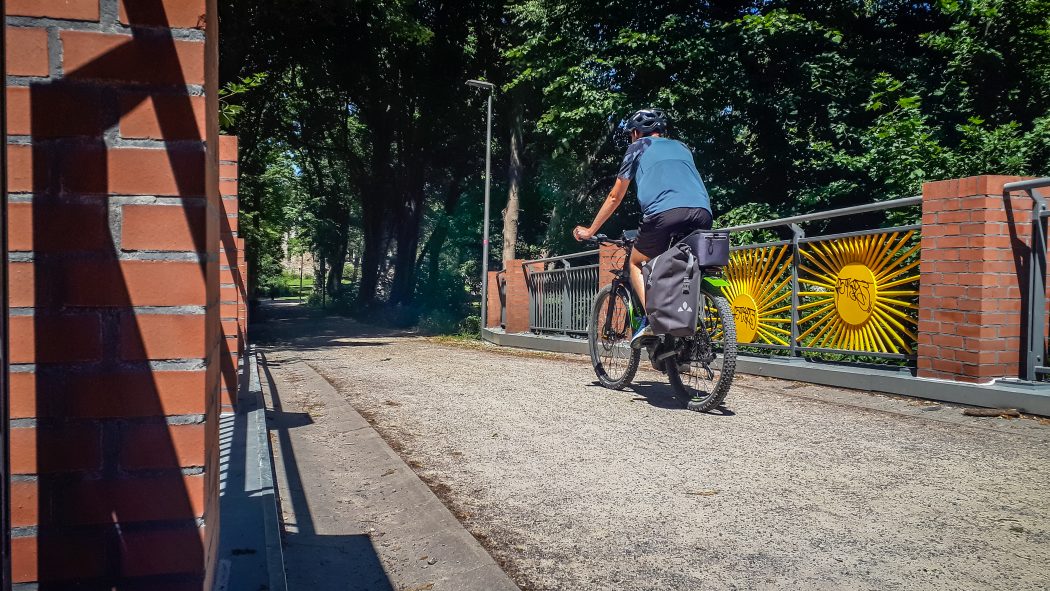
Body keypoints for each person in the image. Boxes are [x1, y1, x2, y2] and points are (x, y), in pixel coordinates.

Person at [573, 108, 713, 344]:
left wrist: (590, 231)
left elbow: (615, 196)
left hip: (664, 213)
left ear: (636, 133)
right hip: (702, 212)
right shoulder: (682, 146)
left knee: (636, 263)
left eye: (631, 134)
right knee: (679, 265)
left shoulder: (638, 147)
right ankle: (679, 338)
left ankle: (652, 322)